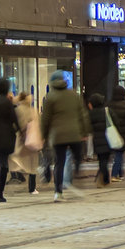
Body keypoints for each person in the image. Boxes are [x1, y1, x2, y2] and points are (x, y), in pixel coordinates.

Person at [39, 71, 90, 202]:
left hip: (57, 136)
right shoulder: (74, 95)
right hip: (74, 133)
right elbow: (83, 115)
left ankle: (58, 192)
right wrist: (85, 132)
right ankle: (76, 173)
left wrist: (43, 135)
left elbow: (46, 119)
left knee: (59, 163)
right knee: (78, 156)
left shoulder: (50, 97)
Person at [11, 91, 44, 195]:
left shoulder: (17, 110)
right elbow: (39, 124)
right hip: (32, 139)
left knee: (16, 157)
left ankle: (19, 172)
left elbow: (14, 125)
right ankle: (32, 187)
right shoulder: (33, 110)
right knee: (32, 164)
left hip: (20, 139)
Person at [87, 94, 115, 188]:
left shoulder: (91, 114)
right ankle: (105, 179)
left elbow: (88, 127)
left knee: (102, 160)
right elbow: (116, 122)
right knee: (105, 160)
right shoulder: (107, 111)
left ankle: (104, 178)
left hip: (97, 140)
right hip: (108, 138)